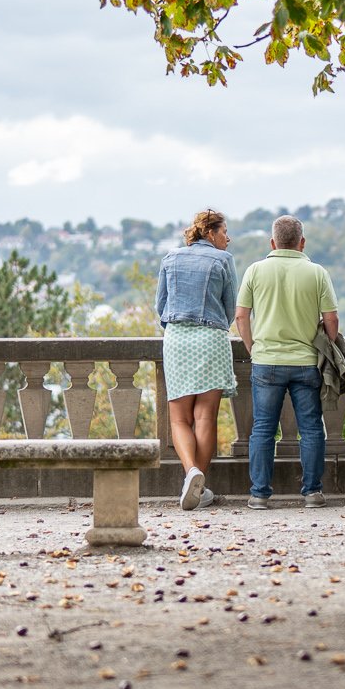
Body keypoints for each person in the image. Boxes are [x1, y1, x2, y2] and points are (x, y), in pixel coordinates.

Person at [236, 215, 339, 510]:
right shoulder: (316, 272)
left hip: (266, 361)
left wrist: (253, 347)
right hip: (306, 362)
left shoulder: (255, 271)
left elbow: (241, 316)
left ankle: (259, 493)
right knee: (311, 428)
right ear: (302, 242)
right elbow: (331, 318)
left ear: (272, 242)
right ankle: (312, 492)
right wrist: (329, 345)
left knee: (263, 429)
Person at [154, 209, 238, 510]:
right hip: (211, 338)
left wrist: (177, 328)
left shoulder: (170, 258)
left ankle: (191, 472)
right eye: (225, 231)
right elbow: (231, 308)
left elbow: (160, 306)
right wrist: (214, 324)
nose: (228, 238)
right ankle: (199, 487)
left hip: (177, 338)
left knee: (179, 418)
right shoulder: (223, 260)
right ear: (211, 233)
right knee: (205, 417)